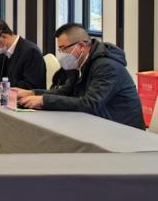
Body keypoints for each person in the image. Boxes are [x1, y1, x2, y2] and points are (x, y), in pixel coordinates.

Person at [17, 23, 146, 129]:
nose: (61, 54)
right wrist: (32, 93)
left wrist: (43, 101)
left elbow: (91, 104)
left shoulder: (106, 66)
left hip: (123, 130)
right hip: (97, 123)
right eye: (59, 49)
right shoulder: (78, 63)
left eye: (64, 48)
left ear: (81, 46)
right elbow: (66, 92)